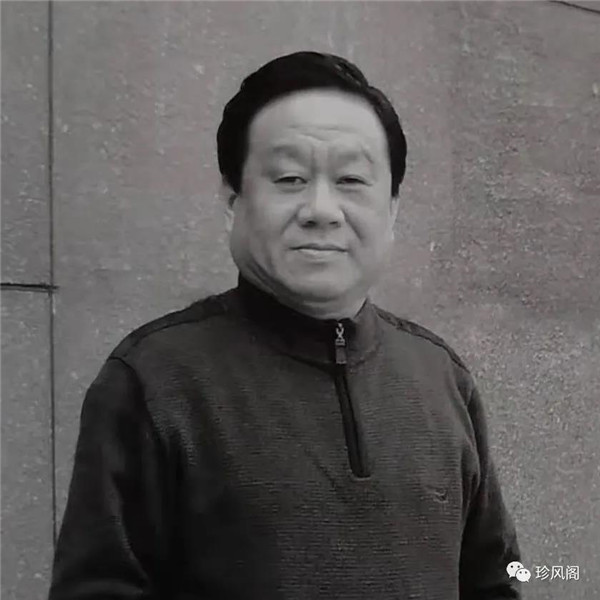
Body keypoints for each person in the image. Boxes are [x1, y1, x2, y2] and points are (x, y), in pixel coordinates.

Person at [48, 51, 522, 600]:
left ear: (392, 208)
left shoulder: (442, 378)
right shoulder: (154, 381)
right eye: (291, 178)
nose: (321, 209)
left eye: (351, 179)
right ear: (234, 200)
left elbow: (501, 577)